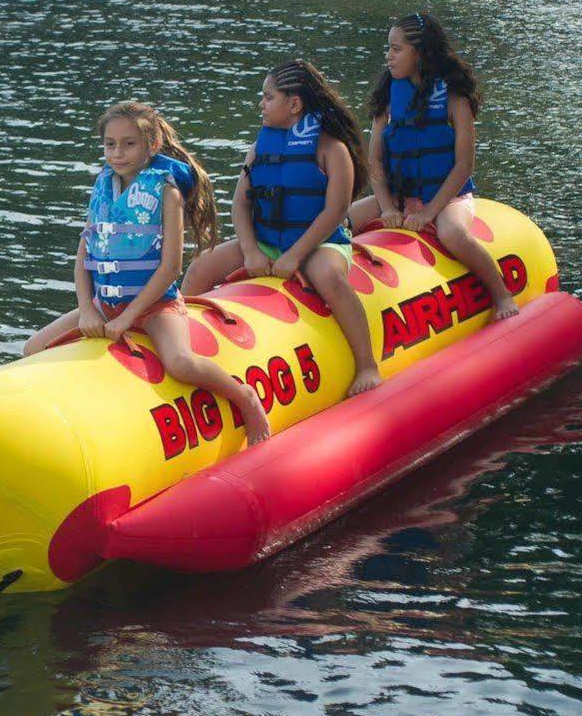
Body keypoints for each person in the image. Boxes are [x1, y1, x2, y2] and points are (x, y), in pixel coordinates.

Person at [25, 101, 272, 444]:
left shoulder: (166, 191)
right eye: (110, 144)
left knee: (181, 363)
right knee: (32, 348)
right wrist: (86, 308)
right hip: (105, 305)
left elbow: (171, 267)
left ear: (151, 146)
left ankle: (243, 395)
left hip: (156, 307)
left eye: (129, 143)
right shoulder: (103, 187)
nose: (117, 153)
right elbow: (83, 258)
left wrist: (129, 318)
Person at [182, 60, 383, 396]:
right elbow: (241, 205)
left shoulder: (332, 150)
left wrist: (295, 255)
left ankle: (366, 364)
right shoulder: (259, 150)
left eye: (268, 97)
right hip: (266, 241)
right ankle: (186, 347)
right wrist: (250, 250)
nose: (260, 104)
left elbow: (335, 212)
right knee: (202, 267)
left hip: (321, 243)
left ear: (294, 104)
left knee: (328, 276)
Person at [348, 11, 520, 320]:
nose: (388, 56)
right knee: (341, 221)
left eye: (396, 49)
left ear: (421, 52)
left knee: (452, 234)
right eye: (388, 48)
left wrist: (429, 212)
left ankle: (501, 294)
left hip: (448, 199)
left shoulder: (455, 98)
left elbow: (464, 166)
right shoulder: (389, 96)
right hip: (401, 198)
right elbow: (374, 161)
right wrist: (387, 207)